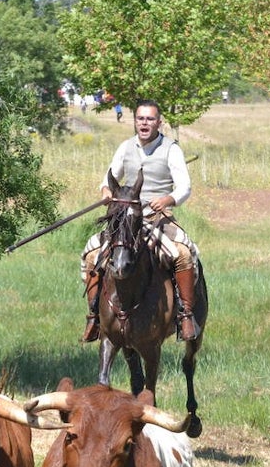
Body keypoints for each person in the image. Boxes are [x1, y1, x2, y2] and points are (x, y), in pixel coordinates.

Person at [80, 100, 202, 342]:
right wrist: (106, 192)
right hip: (126, 219)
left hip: (158, 217)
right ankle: (94, 316)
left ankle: (185, 315)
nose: (145, 123)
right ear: (135, 121)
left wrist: (168, 199)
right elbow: (109, 177)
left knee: (184, 253)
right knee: (92, 254)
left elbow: (184, 187)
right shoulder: (125, 148)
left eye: (150, 119)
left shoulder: (171, 149)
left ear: (159, 122)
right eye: (140, 119)